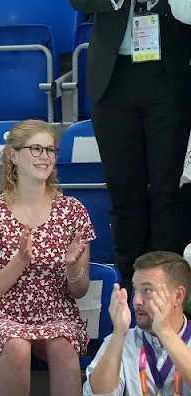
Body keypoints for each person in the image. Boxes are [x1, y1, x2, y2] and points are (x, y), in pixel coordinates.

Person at [68, 0, 191, 291]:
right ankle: (130, 285)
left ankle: (167, 286)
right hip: (113, 77)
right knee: (124, 190)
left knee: (168, 189)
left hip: (169, 73)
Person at [0, 120, 95, 396]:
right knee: (16, 345)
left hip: (57, 311)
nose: (45, 157)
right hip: (4, 314)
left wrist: (72, 267)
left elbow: (80, 291)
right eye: (36, 149)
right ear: (13, 155)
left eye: (50, 150)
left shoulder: (73, 211)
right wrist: (19, 262)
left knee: (62, 345)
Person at [83, 251, 191, 395]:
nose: (136, 301)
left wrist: (165, 332)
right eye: (135, 289)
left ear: (178, 296)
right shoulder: (121, 340)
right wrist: (118, 335)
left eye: (147, 290)